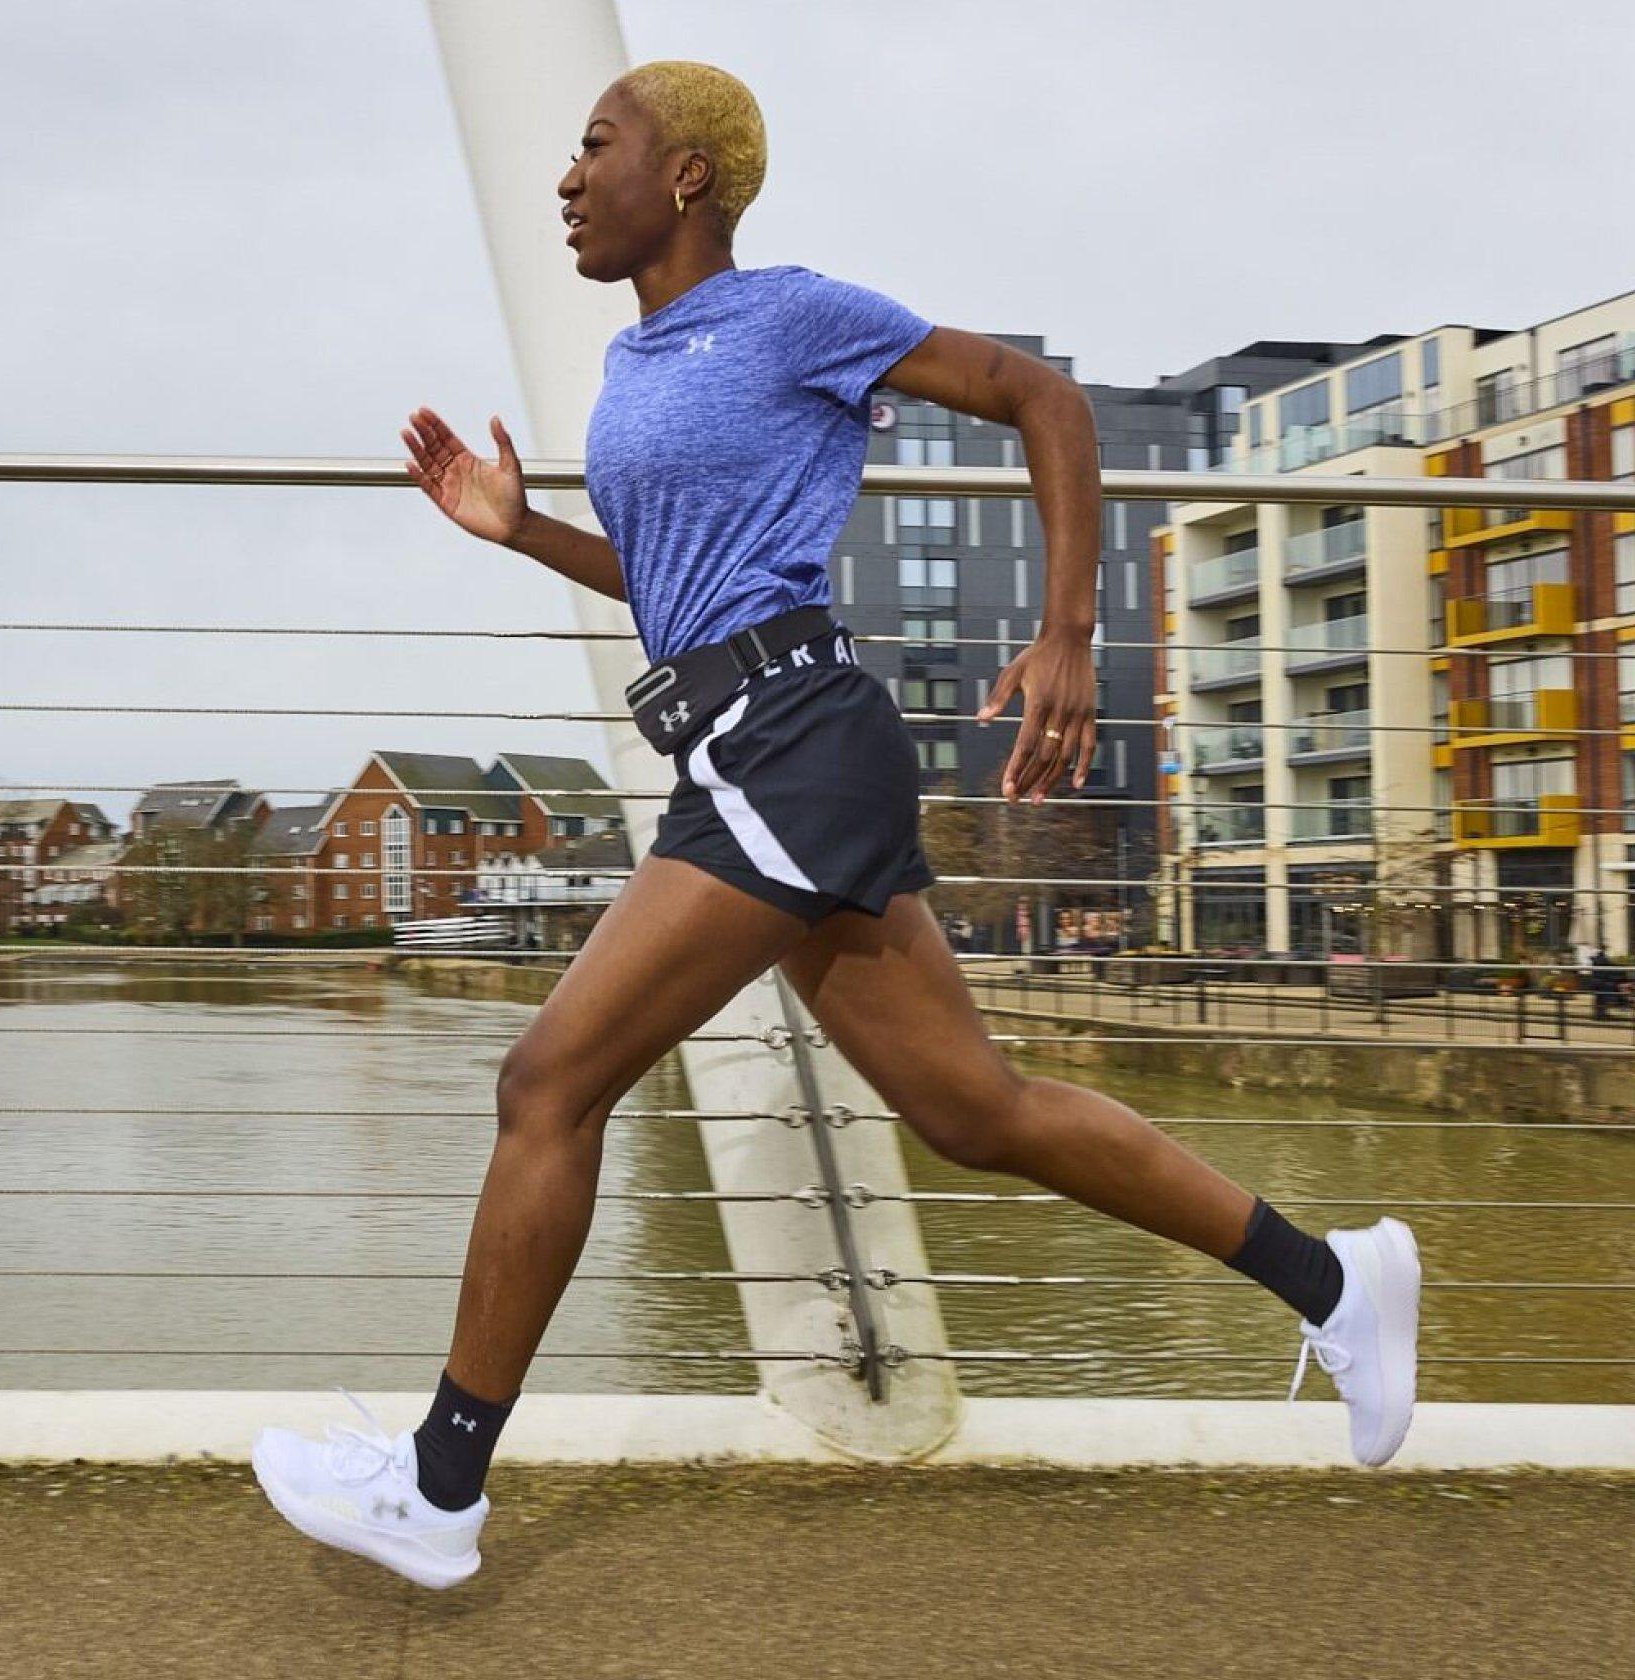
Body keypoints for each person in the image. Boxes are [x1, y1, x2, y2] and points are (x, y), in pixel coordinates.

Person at [251, 59, 1421, 1589]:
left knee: (547, 1083)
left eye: (595, 144)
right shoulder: (632, 367)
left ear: (685, 176)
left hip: (792, 746)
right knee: (973, 1111)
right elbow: (677, 588)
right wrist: (518, 525)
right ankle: (1337, 1279)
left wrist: (1065, 631)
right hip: (743, 746)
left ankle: (439, 1486)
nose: (565, 176)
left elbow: (1042, 400)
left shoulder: (791, 311)